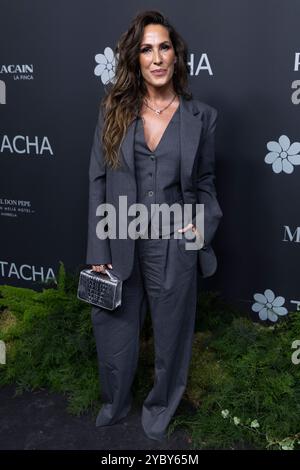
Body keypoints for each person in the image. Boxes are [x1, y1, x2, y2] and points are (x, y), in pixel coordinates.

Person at [86, 10, 222, 441]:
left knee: (172, 338)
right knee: (115, 335)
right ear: (135, 58)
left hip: (173, 243)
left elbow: (205, 183)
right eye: (147, 49)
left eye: (164, 47)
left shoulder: (202, 117)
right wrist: (98, 252)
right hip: (119, 235)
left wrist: (199, 229)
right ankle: (115, 401)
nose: (157, 57)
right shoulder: (114, 110)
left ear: (177, 57)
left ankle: (160, 409)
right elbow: (98, 181)